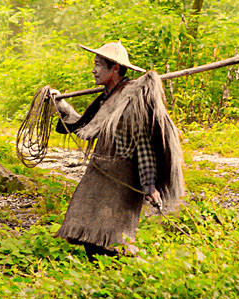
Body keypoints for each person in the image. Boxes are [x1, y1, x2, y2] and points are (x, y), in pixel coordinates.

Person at [47, 41, 185, 259]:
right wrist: (62, 106)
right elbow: (85, 125)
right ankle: (101, 280)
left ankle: (121, 281)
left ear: (115, 69)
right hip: (98, 175)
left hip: (120, 181)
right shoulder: (108, 98)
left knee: (113, 242)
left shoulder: (131, 101)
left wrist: (149, 186)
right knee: (88, 236)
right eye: (95, 64)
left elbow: (144, 146)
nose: (94, 70)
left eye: (99, 65)